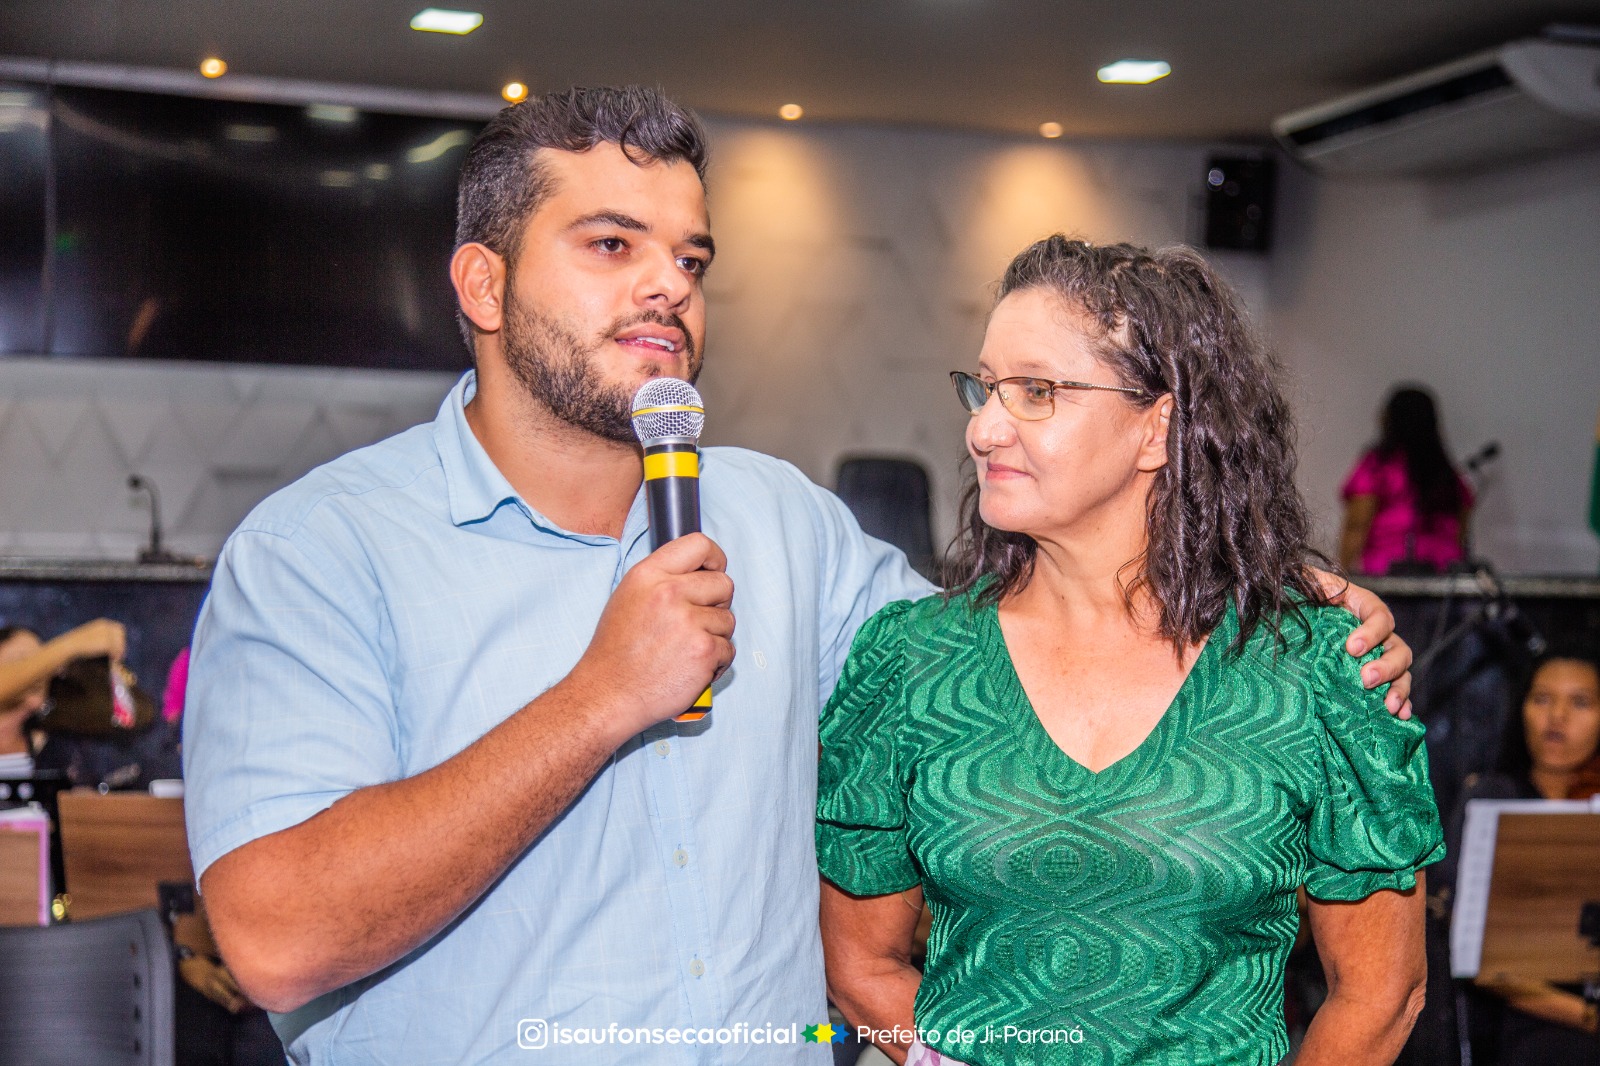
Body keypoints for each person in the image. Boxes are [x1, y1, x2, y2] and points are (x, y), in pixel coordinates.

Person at [183, 90, 1414, 1065]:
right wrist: (601, 696)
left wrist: (1281, 609)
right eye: (611, 244)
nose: (668, 283)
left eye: (691, 256)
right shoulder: (318, 552)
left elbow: (1032, 668)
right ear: (483, 284)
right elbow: (276, 939)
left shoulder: (781, 521)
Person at [817, 238, 1442, 1066]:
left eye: (1036, 392)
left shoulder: (1316, 662)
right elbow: (861, 964)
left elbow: (1381, 994)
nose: (983, 426)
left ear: (1159, 426)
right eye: (986, 387)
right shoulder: (911, 661)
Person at [1432, 650, 1600, 1064]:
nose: (1557, 716)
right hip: (1525, 1027)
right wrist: (1586, 1015)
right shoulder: (1492, 798)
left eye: (1580, 702)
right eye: (1542, 699)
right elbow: (1475, 953)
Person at [1339, 385, 1473, 575]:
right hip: (1444, 579)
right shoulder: (1445, 470)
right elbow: (1462, 524)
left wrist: (1341, 575)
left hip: (1388, 576)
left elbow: (1356, 525)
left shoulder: (1379, 466)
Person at [0, 619, 127, 778]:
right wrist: (74, 644)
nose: (38, 675)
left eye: (46, 664)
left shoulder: (54, 747)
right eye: (23, 663)